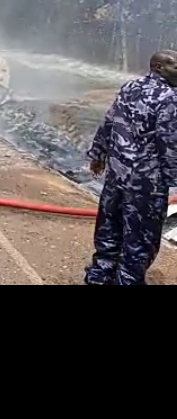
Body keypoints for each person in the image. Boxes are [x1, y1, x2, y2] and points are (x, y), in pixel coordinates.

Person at [85, 50, 177, 285]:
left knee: (109, 227)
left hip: (116, 177)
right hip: (146, 184)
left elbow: (109, 122)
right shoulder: (170, 97)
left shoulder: (129, 86)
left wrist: (97, 154)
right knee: (140, 238)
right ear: (158, 67)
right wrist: (174, 179)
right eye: (175, 66)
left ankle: (99, 275)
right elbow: (169, 143)